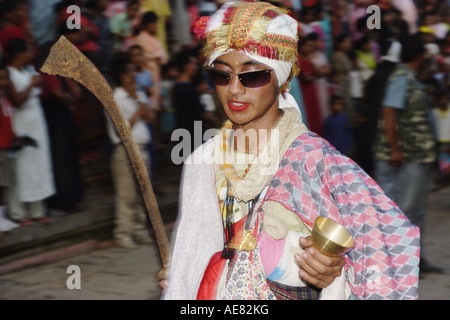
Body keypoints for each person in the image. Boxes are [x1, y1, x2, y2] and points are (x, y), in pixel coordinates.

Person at [163, 1, 420, 300]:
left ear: (281, 79)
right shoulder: (202, 161)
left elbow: (386, 238)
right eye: (222, 75)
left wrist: (335, 266)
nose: (234, 89)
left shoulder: (314, 160)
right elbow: (192, 256)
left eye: (252, 76)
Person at [373, 34, 442, 275]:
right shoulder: (402, 78)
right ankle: (403, 264)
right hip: (407, 155)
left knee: (416, 210)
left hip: (416, 154)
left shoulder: (410, 77)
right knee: (406, 210)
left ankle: (416, 259)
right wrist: (395, 148)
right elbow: (390, 112)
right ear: (420, 55)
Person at [5, 38, 55, 226]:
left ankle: (37, 210)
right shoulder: (8, 74)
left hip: (36, 121)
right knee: (20, 166)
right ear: (19, 53)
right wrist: (32, 85)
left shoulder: (29, 71)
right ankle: (17, 212)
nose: (31, 54)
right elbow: (17, 101)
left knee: (38, 164)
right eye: (28, 51)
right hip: (20, 122)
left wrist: (36, 83)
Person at [105, 63, 155, 249]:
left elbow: (150, 118)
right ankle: (123, 233)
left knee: (143, 194)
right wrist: (137, 112)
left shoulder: (139, 94)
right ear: (122, 78)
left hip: (142, 147)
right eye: (130, 77)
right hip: (125, 150)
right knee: (126, 194)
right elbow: (121, 130)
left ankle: (139, 230)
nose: (134, 80)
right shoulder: (114, 99)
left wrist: (141, 105)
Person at [0, 64, 19, 233]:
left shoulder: (5, 99)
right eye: (1, 79)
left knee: (4, 183)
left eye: (6, 78)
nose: (4, 82)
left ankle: (3, 216)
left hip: (6, 146)